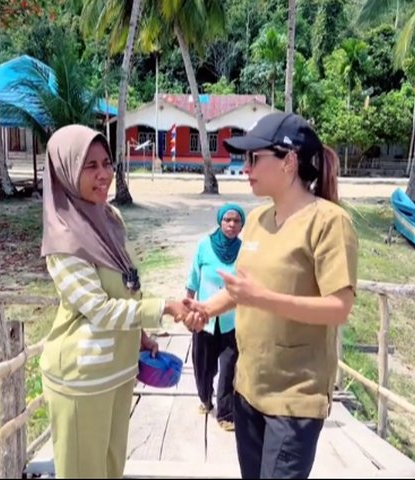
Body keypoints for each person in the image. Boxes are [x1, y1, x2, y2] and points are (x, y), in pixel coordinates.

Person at [183, 112, 358, 479]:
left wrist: (262, 298)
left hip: (294, 399)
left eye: (254, 158)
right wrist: (204, 308)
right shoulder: (260, 218)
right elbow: (242, 289)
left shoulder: (329, 222)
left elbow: (339, 308)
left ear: (289, 161)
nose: (245, 167)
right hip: (248, 389)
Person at [39, 125, 190, 479]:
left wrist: (138, 334)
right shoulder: (64, 240)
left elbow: (127, 286)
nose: (103, 174)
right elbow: (100, 309)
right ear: (65, 169)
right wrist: (163, 308)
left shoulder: (110, 218)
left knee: (111, 469)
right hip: (82, 379)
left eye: (107, 163)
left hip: (120, 371)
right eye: (89, 165)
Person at [186, 203, 245, 431]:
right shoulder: (204, 246)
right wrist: (188, 308)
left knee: (229, 367)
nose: (231, 225)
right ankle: (204, 397)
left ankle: (226, 414)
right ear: (220, 222)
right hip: (204, 319)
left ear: (242, 224)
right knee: (203, 367)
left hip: (232, 320)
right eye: (227, 220)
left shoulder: (245, 250)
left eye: (236, 221)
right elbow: (193, 279)